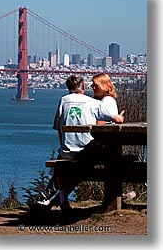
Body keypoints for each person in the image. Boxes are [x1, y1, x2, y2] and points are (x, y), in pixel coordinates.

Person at [37, 75, 124, 213]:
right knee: (105, 158)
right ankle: (55, 199)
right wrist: (118, 118)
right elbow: (112, 116)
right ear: (83, 87)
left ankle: (57, 199)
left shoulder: (63, 101)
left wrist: (64, 147)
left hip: (67, 152)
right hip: (88, 152)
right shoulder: (93, 102)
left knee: (62, 163)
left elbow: (59, 129)